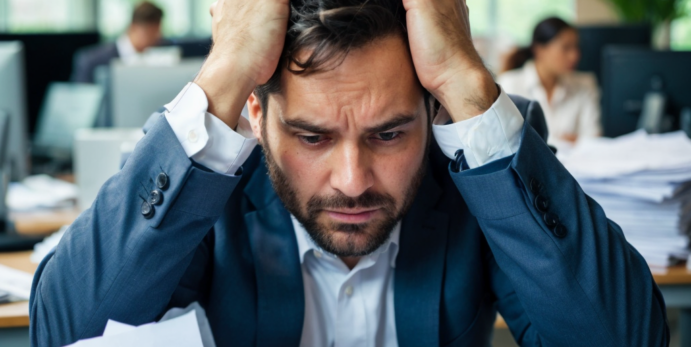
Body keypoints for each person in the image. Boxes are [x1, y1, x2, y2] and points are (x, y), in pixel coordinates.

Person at [31, 1, 668, 346]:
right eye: (312, 136)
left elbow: (627, 338)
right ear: (256, 113)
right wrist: (224, 73)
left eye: (390, 132)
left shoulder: (476, 162)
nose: (353, 178)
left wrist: (469, 88)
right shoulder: (209, 174)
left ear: (434, 110)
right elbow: (64, 333)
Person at [498, 17, 601, 145]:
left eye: (576, 47)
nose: (575, 56)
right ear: (539, 49)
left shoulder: (585, 84)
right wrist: (568, 141)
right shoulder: (509, 84)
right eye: (566, 48)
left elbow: (594, 140)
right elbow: (506, 141)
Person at [71, 1, 164, 83]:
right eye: (151, 32)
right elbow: (81, 100)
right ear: (134, 27)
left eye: (158, 32)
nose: (157, 37)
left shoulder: (161, 56)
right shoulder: (92, 61)